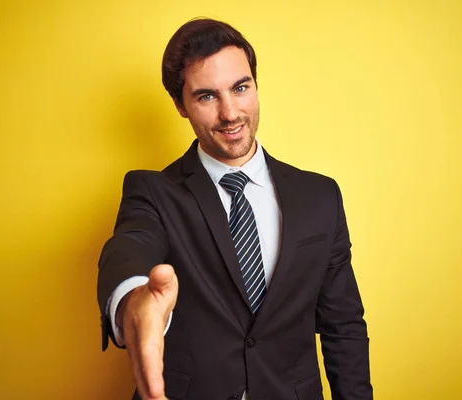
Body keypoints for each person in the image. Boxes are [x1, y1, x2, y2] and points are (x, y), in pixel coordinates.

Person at [97, 18, 372, 400]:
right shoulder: (153, 191)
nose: (230, 113)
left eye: (240, 88)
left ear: (255, 85)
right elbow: (131, 244)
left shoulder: (320, 195)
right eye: (207, 96)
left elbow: (343, 325)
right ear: (180, 105)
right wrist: (131, 299)